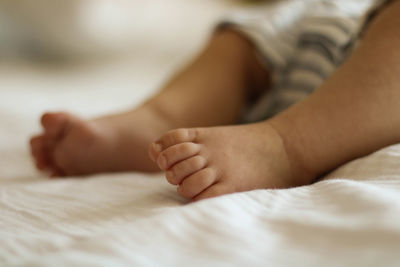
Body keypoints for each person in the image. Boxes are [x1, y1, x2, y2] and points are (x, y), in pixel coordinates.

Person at [30, 0, 399, 201]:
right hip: (329, 25)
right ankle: (156, 120)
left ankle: (285, 145)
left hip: (373, 78)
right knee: (242, 43)